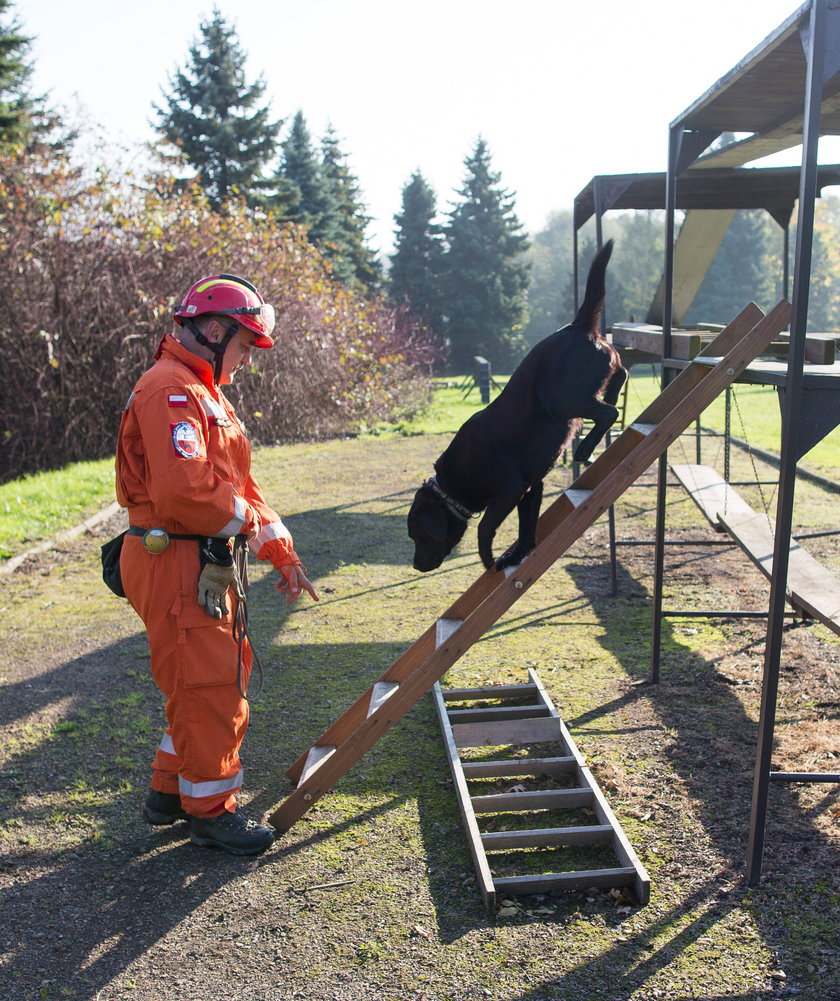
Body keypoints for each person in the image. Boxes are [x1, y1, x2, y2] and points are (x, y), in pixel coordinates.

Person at [115, 273, 318, 856]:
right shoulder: (171, 391)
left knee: (208, 677)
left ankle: (169, 792)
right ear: (213, 329)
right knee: (209, 686)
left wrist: (280, 551)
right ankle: (210, 811)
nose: (247, 359)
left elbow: (238, 485)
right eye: (245, 345)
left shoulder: (201, 393)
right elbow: (186, 493)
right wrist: (254, 532)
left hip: (193, 558)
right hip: (174, 558)